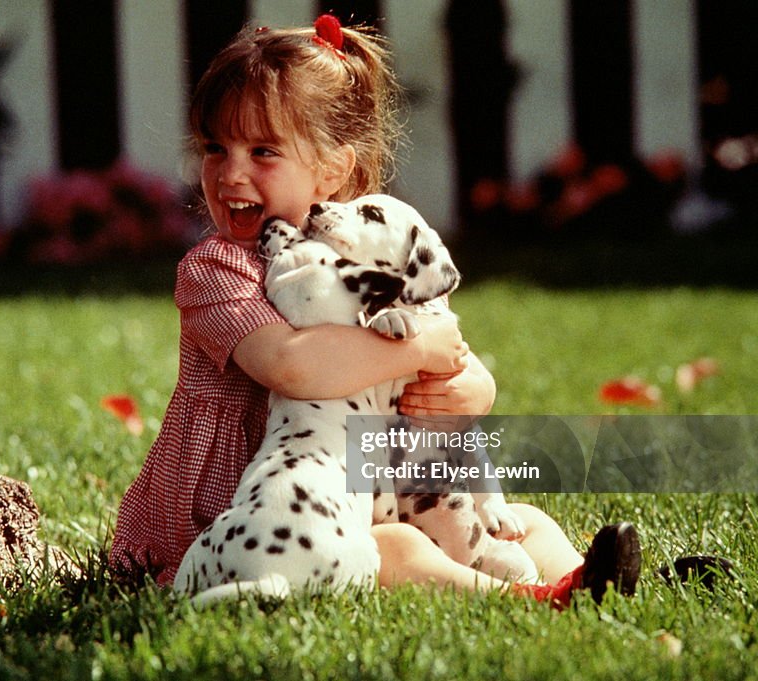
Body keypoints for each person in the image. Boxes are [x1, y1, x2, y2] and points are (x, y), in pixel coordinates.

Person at [108, 16, 640, 609]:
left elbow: (457, 363)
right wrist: (416, 350)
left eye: (262, 151)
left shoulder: (373, 246)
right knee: (397, 550)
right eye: (215, 148)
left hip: (370, 488)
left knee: (523, 521)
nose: (230, 172)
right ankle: (539, 600)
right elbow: (292, 366)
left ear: (333, 169)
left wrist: (465, 389)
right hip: (243, 525)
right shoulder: (217, 269)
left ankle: (606, 583)